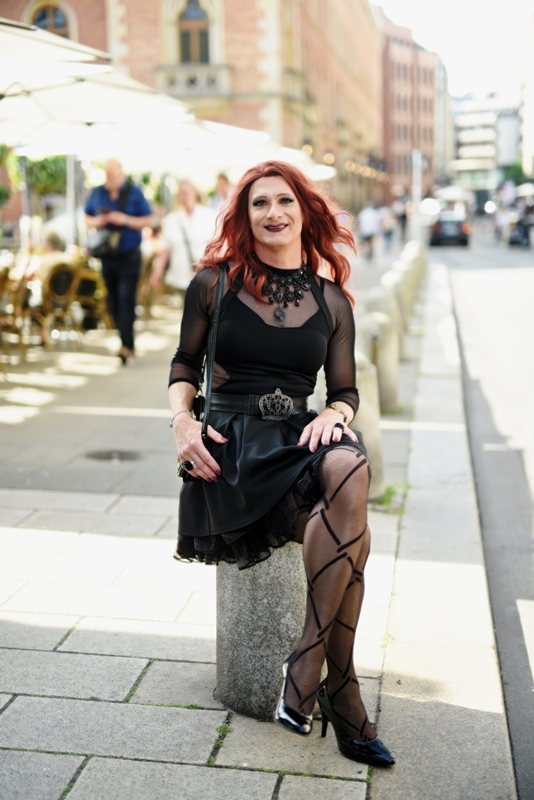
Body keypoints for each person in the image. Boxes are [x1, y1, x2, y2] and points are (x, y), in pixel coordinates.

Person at [168, 160, 395, 768]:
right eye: (259, 203)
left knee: (349, 464)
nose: (273, 213)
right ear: (244, 217)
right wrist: (183, 423)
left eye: (285, 201)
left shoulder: (332, 300)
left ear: (304, 210)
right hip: (234, 445)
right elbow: (184, 365)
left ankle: (306, 660)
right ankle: (342, 694)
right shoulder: (213, 284)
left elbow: (345, 391)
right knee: (355, 539)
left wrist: (336, 414)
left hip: (299, 433)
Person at [85, 158, 153, 363]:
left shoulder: (134, 192)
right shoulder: (98, 192)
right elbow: (86, 217)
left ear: (120, 173)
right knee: (112, 300)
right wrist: (99, 221)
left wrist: (125, 220)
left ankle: (127, 345)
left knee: (126, 297)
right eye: (107, 175)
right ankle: (124, 338)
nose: (110, 178)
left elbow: (149, 219)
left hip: (129, 253)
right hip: (107, 254)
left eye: (112, 174)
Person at [149, 181, 216, 302]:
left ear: (195, 193)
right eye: (180, 193)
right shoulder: (171, 219)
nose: (183, 196)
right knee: (187, 310)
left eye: (186, 193)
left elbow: (218, 246)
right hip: (181, 277)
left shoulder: (210, 216)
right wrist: (157, 271)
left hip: (207, 277)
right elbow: (164, 249)